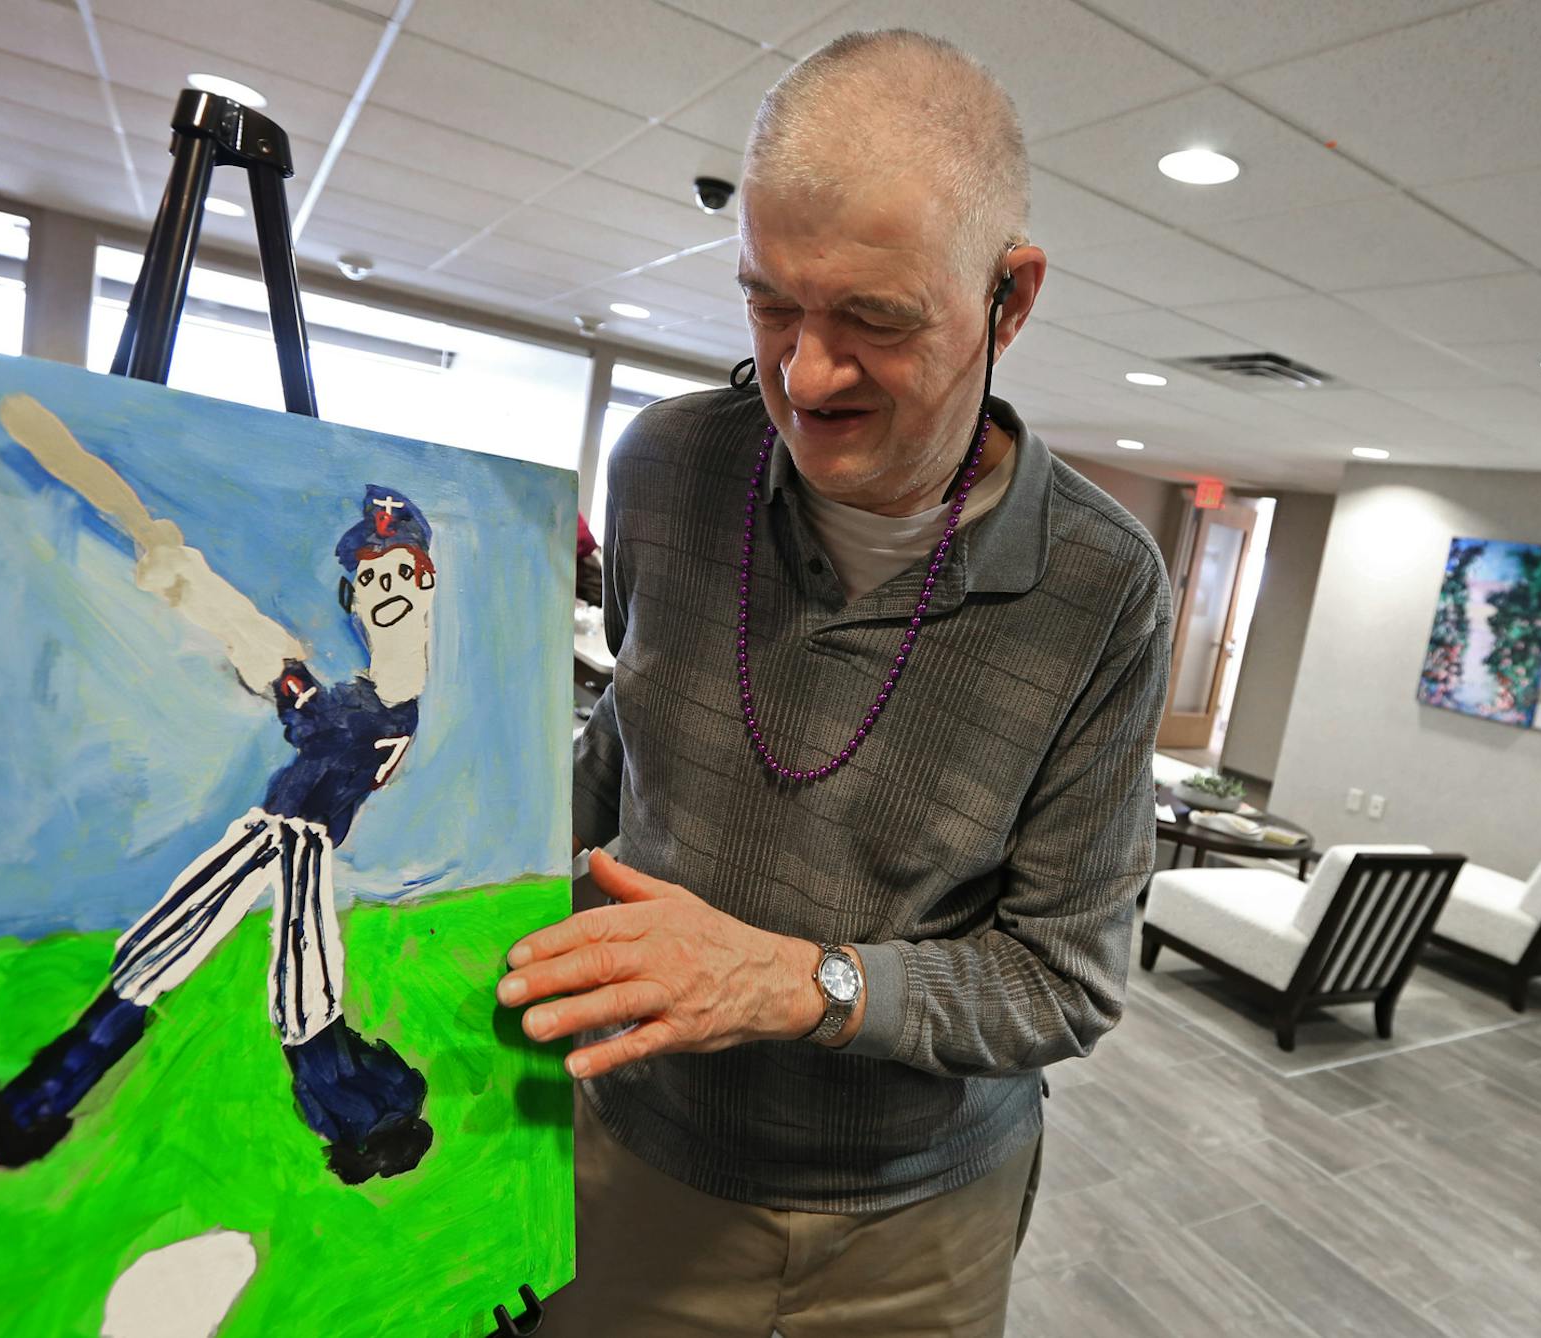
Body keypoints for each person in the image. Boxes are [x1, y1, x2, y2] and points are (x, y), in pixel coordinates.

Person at [501, 30, 1172, 1335]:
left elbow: (1067, 977)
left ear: (1009, 299)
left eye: (874, 318)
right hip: (632, 1155)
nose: (804, 376)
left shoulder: (1101, 589)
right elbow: (616, 755)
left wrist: (801, 982)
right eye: (769, 305)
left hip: (916, 1225)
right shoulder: (660, 470)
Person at [0, 394, 437, 1185]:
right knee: (163, 958)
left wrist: (199, 588)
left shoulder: (381, 701)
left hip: (292, 844)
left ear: (424, 586)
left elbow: (319, 682)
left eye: (403, 573)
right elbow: (270, 657)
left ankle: (366, 1122)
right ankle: (29, 1110)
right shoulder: (350, 697)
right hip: (271, 838)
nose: (388, 585)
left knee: (299, 988)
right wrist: (186, 578)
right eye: (372, 578)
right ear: (352, 602)